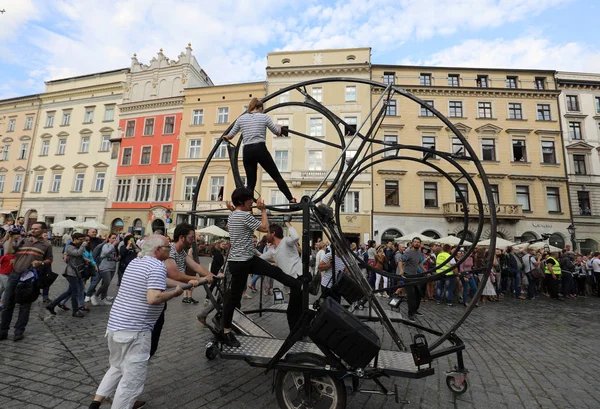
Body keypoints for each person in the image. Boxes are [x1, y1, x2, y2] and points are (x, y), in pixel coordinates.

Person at [87, 235, 197, 409]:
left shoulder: (136, 262)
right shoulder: (157, 266)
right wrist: (175, 293)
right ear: (159, 250)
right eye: (168, 247)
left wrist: (187, 284)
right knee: (131, 381)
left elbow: (160, 281)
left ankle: (96, 402)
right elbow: (154, 298)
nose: (171, 251)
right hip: (135, 331)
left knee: (116, 367)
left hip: (115, 327)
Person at [221, 187, 301, 348]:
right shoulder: (243, 215)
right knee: (234, 298)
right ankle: (225, 332)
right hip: (241, 263)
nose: (252, 202)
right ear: (242, 202)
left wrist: (234, 209)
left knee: (275, 271)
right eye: (249, 200)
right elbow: (265, 228)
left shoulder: (233, 215)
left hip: (246, 259)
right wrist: (263, 210)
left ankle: (298, 284)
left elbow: (240, 222)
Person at [225, 98, 296, 203]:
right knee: (276, 176)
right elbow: (277, 132)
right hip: (260, 148)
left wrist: (225, 137)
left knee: (251, 183)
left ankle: (247, 208)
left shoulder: (241, 119)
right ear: (260, 108)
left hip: (247, 151)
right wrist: (280, 127)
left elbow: (230, 136)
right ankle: (291, 199)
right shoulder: (264, 117)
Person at [0, 222, 53, 341]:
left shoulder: (46, 244)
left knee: (25, 305)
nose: (33, 230)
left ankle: (19, 331)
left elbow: (50, 259)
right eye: (32, 228)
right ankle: (3, 331)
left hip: (29, 278)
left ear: (43, 230)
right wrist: (9, 239)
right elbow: (10, 252)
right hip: (15, 275)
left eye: (36, 229)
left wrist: (41, 262)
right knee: (8, 303)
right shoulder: (23, 240)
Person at [260, 220, 304, 331]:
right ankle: (300, 332)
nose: (266, 235)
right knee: (297, 309)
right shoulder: (272, 250)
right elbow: (260, 259)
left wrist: (287, 222)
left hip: (299, 278)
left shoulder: (286, 241)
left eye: (268, 232)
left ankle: (296, 334)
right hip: (291, 282)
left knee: (292, 311)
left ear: (273, 234)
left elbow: (295, 237)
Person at [46, 233, 87, 317]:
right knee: (75, 292)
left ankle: (51, 305)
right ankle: (75, 311)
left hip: (77, 272)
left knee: (70, 291)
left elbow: (79, 256)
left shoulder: (76, 247)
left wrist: (85, 260)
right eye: (80, 239)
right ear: (74, 239)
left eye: (83, 239)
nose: (82, 241)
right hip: (71, 273)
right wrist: (83, 245)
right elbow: (77, 253)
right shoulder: (69, 247)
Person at [399, 237, 425, 321]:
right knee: (411, 294)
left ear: (420, 244)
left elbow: (419, 262)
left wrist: (426, 271)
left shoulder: (419, 252)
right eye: (415, 242)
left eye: (418, 242)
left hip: (415, 275)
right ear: (412, 243)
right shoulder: (408, 252)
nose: (416, 243)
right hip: (408, 275)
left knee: (418, 293)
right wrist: (401, 270)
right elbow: (400, 260)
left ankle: (415, 310)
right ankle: (410, 313)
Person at [90, 233, 118, 306]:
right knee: (106, 283)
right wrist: (113, 245)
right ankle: (95, 296)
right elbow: (105, 253)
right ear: (109, 238)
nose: (115, 239)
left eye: (116, 238)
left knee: (107, 284)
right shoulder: (106, 245)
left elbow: (114, 255)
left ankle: (103, 297)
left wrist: (116, 258)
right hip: (105, 266)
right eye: (113, 238)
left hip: (112, 266)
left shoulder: (115, 247)